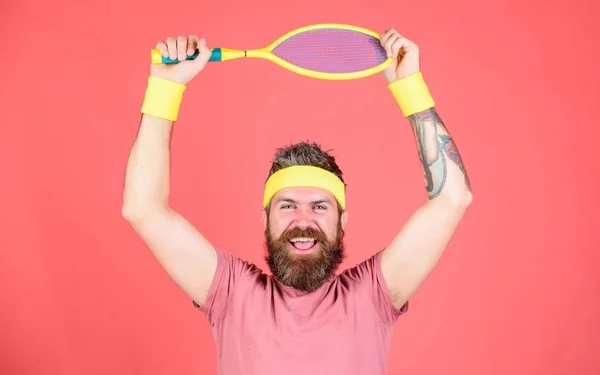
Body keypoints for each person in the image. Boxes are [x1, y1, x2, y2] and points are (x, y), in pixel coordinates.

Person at [122, 28, 472, 375]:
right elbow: (143, 209)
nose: (303, 220)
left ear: (342, 220)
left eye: (320, 206)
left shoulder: (373, 296)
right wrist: (165, 88)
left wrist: (409, 87)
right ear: (265, 218)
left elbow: (453, 199)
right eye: (287, 205)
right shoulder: (232, 293)